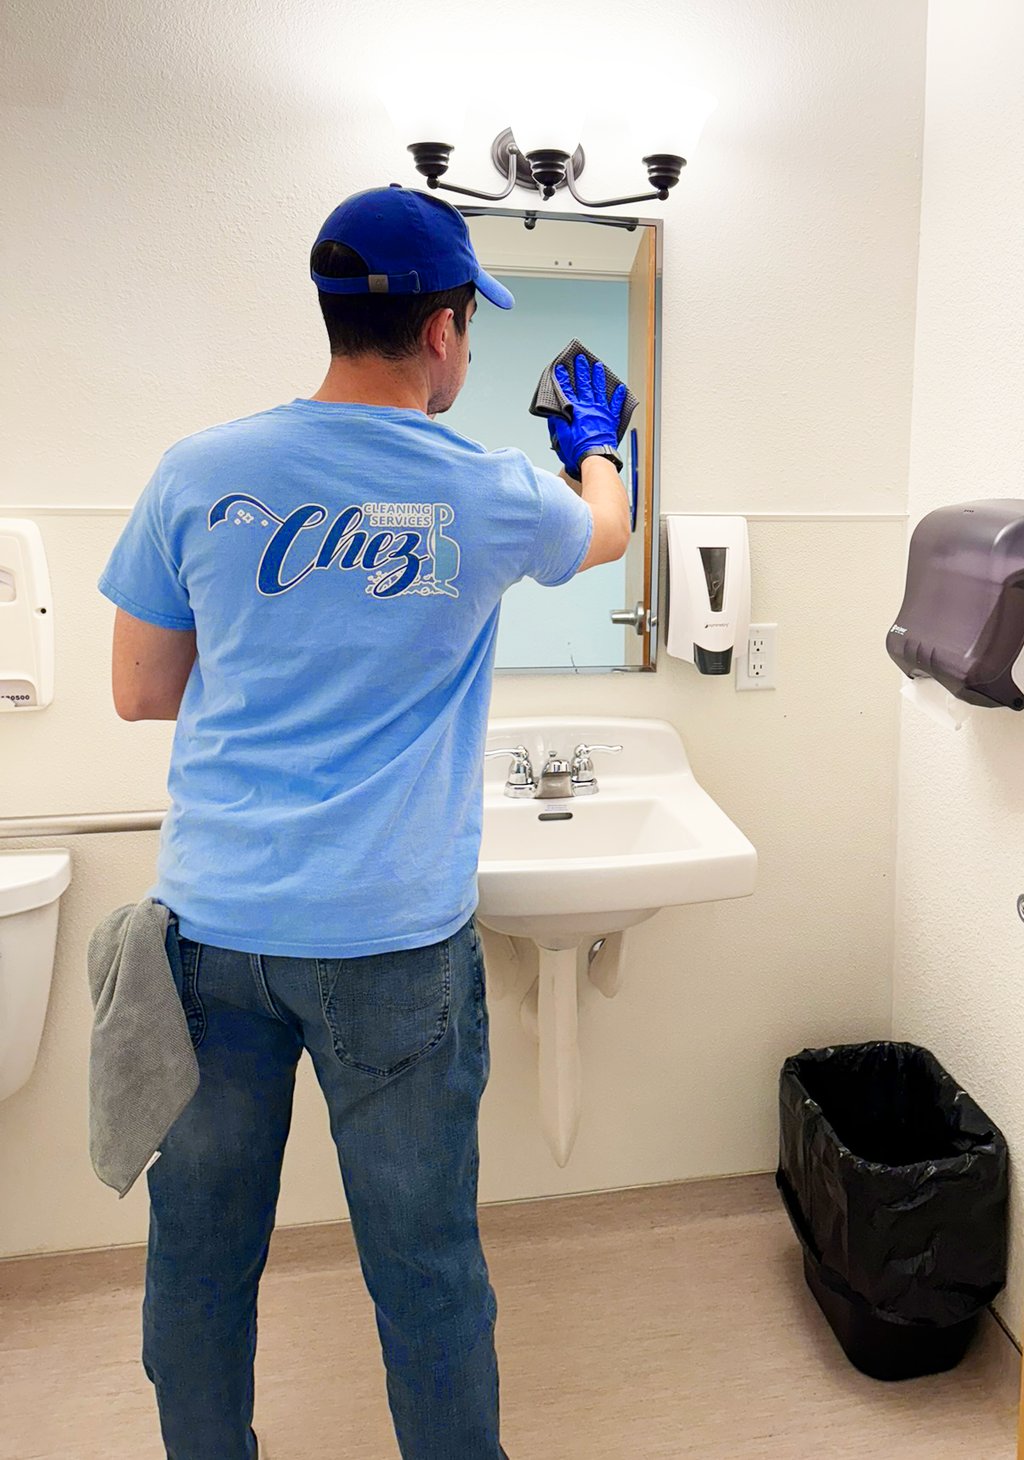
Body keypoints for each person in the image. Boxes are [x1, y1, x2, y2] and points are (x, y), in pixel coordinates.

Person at [98, 183, 631, 1460]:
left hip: (212, 934)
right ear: (446, 330)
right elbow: (606, 534)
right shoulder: (488, 489)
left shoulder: (202, 467)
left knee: (202, 1259)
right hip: (393, 950)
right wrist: (595, 444)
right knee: (426, 1269)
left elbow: (138, 690)